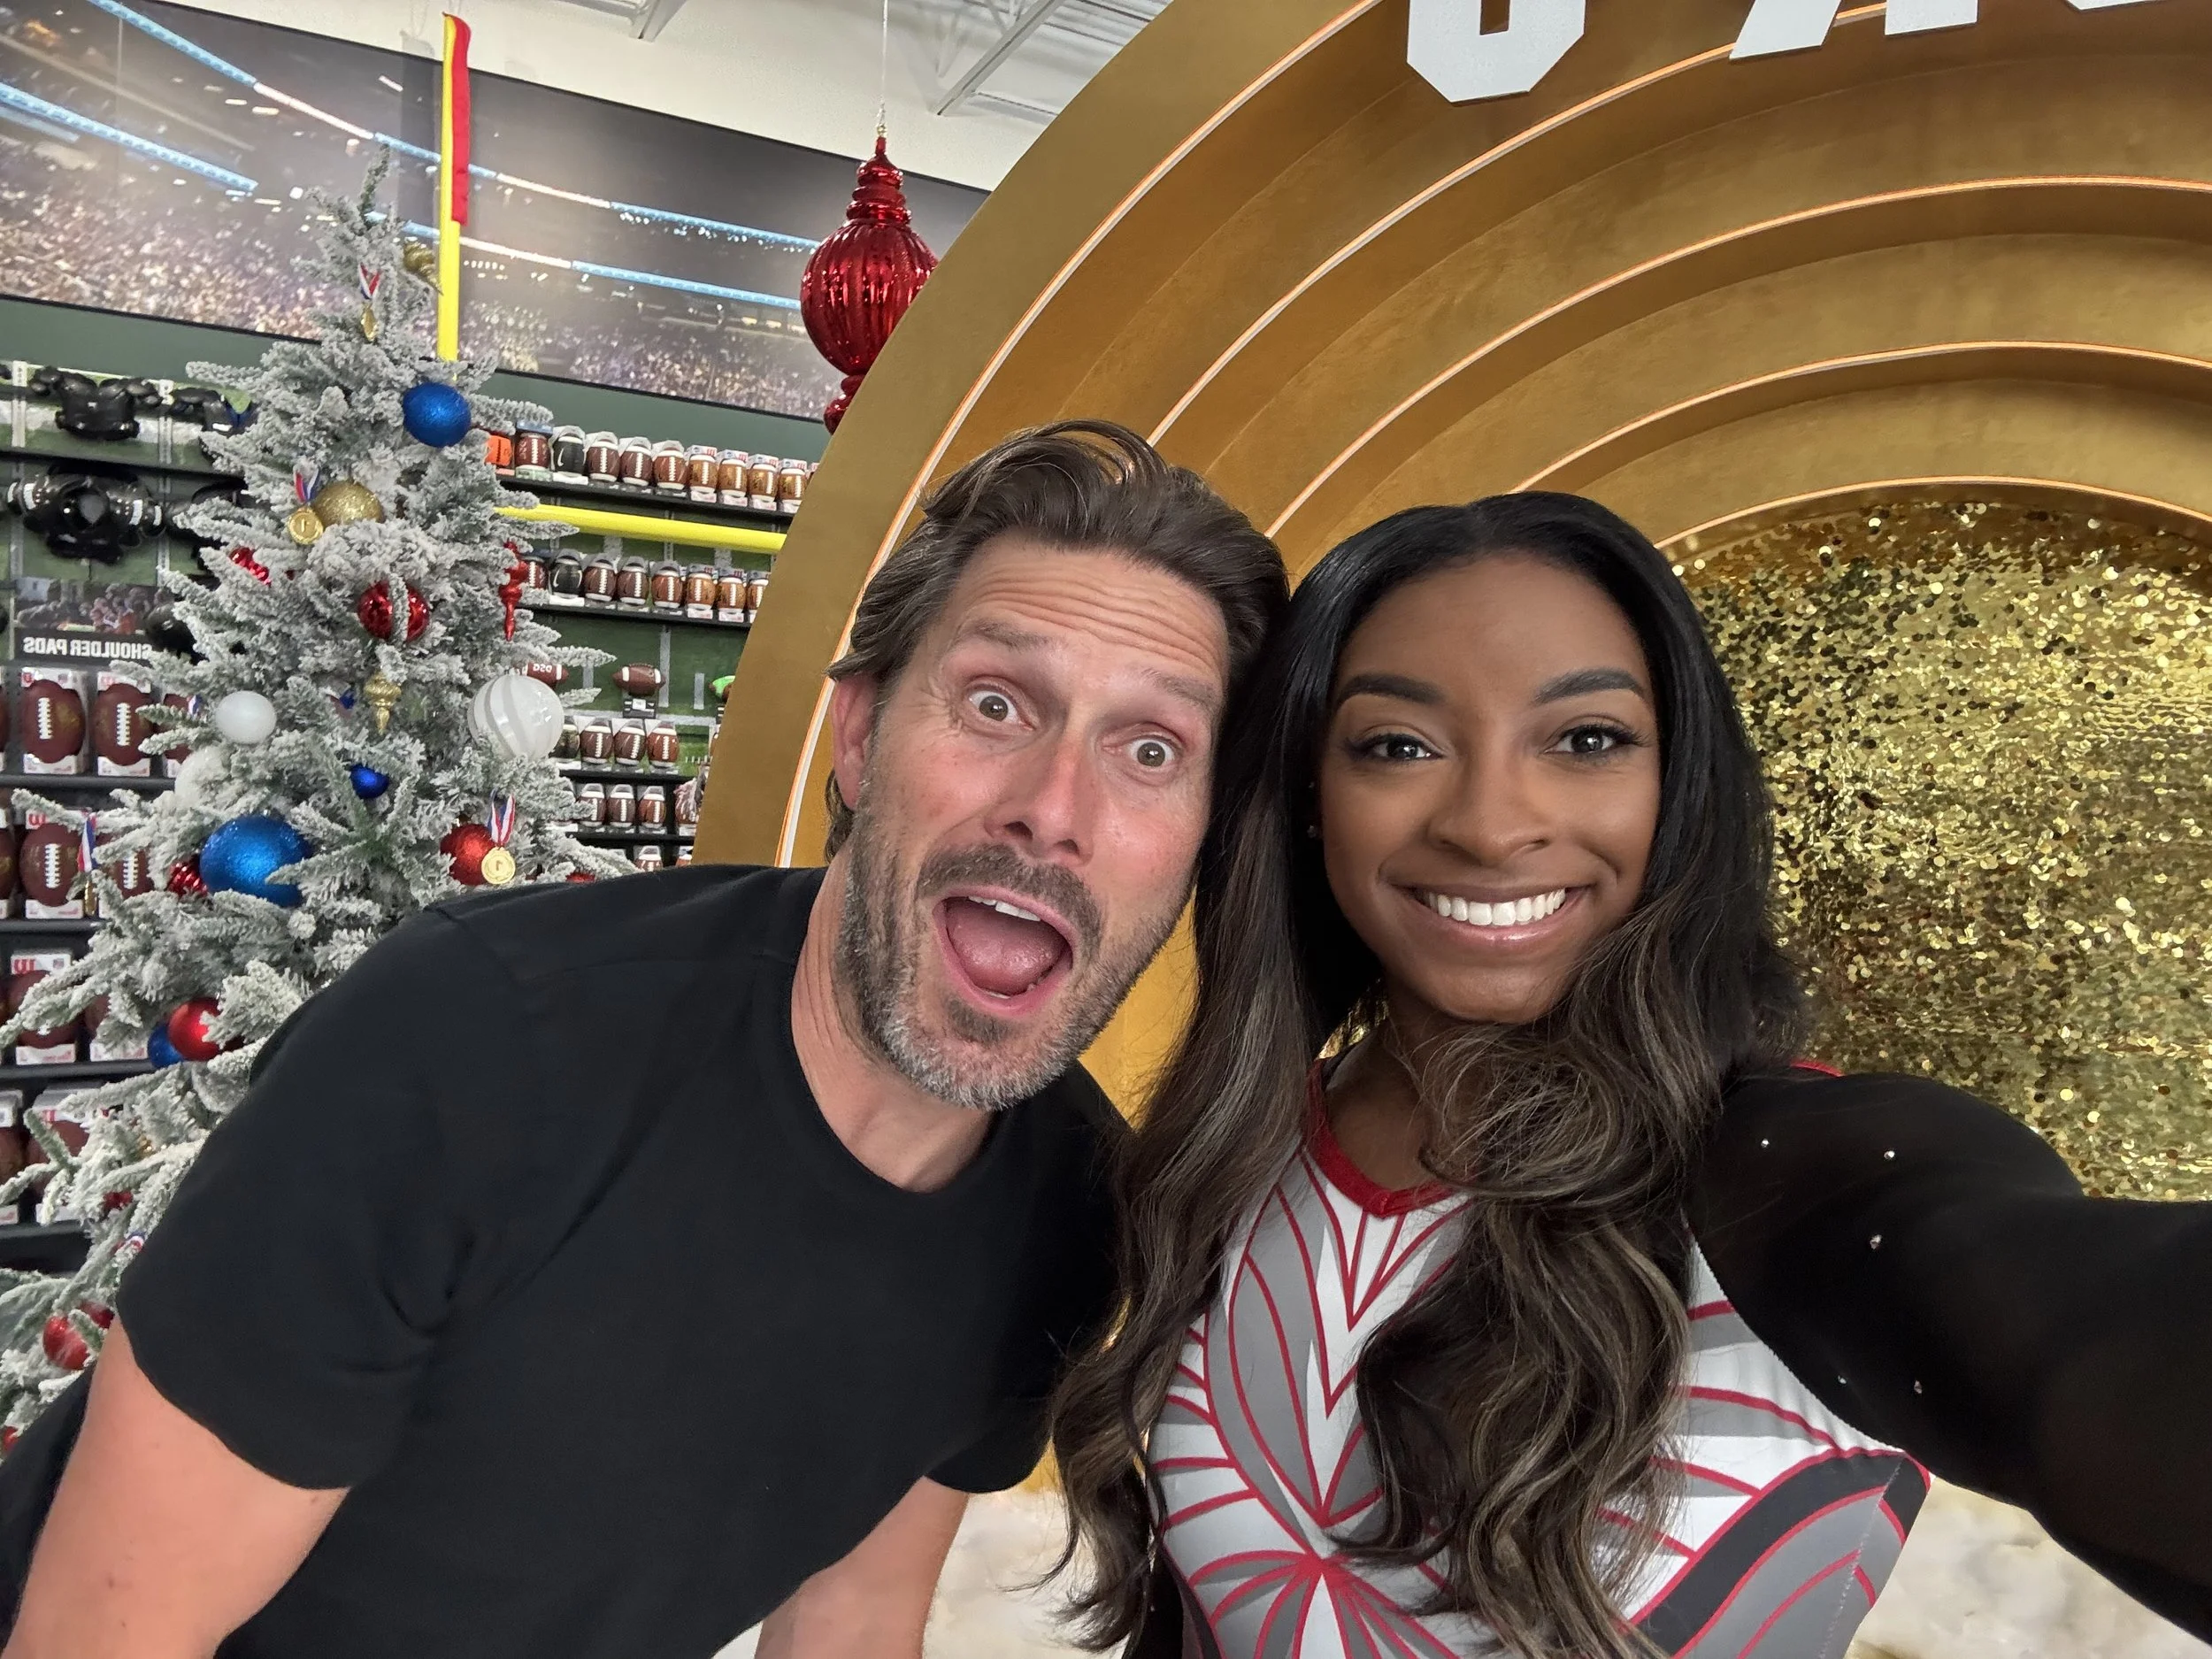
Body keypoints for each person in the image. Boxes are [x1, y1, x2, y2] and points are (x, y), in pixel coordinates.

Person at [0, 419, 1288, 1659]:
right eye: (998, 704)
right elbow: (100, 1635)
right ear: (859, 734)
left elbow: (848, 1625)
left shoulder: (1065, 1205)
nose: (1053, 808)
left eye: (1150, 749)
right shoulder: (473, 1050)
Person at [1049, 492, 2212, 1659]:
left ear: (1679, 786)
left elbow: (2095, 1343)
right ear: (1309, 797)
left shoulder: (1793, 1177)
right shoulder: (1233, 1152)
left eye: (1587, 739)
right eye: (1397, 745)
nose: (1493, 824)